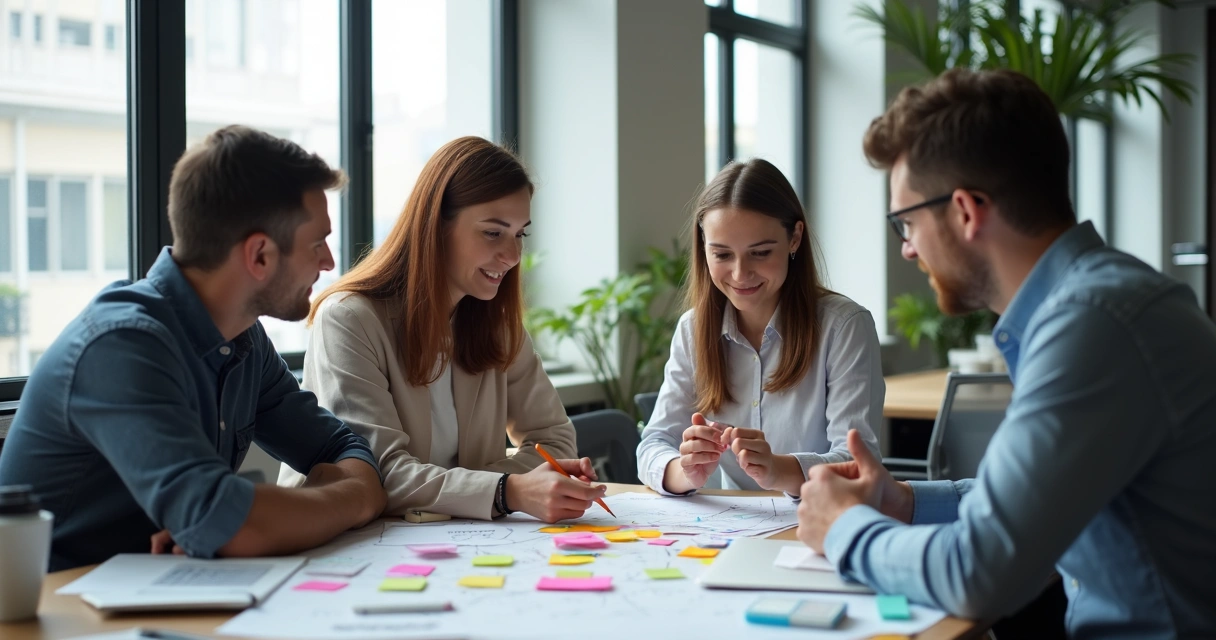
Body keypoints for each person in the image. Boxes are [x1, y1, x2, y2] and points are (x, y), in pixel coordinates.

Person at [796, 68, 1216, 638]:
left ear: (966, 211)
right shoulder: (1097, 302)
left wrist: (842, 527)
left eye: (906, 222)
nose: (907, 247)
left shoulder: (1094, 326)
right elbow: (1023, 500)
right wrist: (901, 501)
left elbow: (980, 572)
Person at [0, 126, 387, 571]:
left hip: (166, 596)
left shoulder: (244, 339)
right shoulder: (121, 346)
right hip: (64, 616)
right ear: (259, 255)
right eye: (317, 242)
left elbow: (342, 447)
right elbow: (233, 525)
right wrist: (352, 498)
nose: (329, 262)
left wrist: (274, 508)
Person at [280, 136, 603, 523]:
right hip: (343, 544)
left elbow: (555, 440)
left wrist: (490, 491)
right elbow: (375, 472)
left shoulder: (496, 325)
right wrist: (507, 490)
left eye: (520, 234)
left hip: (453, 542)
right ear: (436, 225)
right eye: (493, 232)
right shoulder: (348, 319)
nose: (514, 256)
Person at [636, 159, 884, 497]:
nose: (740, 274)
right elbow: (653, 443)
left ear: (794, 238)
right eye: (722, 255)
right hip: (734, 530)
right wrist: (684, 470)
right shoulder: (693, 329)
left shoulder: (843, 327)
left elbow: (859, 462)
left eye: (760, 253)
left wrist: (778, 470)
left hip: (822, 522)